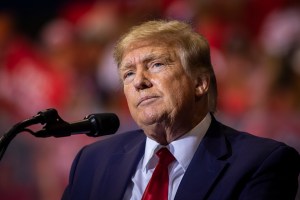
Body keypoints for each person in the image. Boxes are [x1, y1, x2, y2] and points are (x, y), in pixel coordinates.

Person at [62, 20, 300, 200]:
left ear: (199, 83)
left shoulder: (260, 163)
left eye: (156, 64)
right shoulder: (91, 162)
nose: (139, 82)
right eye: (129, 73)